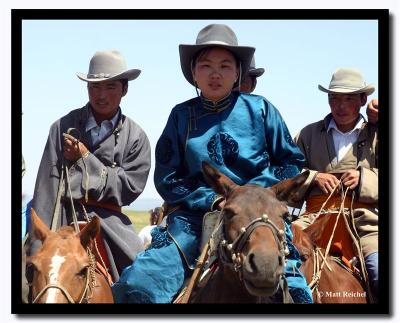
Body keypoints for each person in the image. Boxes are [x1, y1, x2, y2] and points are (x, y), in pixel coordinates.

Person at [112, 23, 312, 303]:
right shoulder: (181, 116)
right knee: (137, 286)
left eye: (225, 66)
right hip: (195, 218)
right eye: (206, 66)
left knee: (296, 293)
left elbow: (291, 162)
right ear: (194, 73)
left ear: (238, 72)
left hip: (261, 215)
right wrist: (213, 198)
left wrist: (252, 195)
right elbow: (168, 178)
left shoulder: (262, 109)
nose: (215, 73)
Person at [28, 50, 151, 281]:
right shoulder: (61, 127)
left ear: (124, 89)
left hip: (111, 227)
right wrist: (39, 249)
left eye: (110, 87)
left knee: (139, 283)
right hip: (62, 221)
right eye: (94, 87)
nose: (101, 95)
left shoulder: (136, 137)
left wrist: (85, 159)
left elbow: (128, 190)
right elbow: (46, 190)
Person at [293, 68, 378, 300]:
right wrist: (313, 177)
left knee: (380, 272)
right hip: (313, 218)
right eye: (334, 98)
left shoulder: (377, 134)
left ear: (363, 100)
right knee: (279, 259)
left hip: (363, 221)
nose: (340, 105)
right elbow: (286, 174)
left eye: (349, 99)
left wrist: (365, 178)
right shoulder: (307, 135)